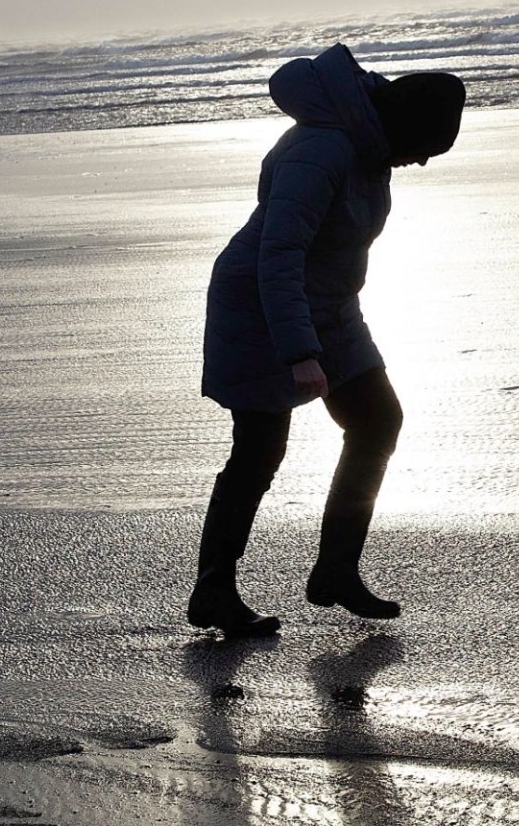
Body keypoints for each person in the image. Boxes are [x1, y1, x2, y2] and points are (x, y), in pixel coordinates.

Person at [190, 43, 466, 637]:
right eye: (424, 149)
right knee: (260, 451)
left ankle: (336, 571)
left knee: (377, 422)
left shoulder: (369, 148)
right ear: (403, 127)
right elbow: (278, 254)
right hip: (262, 308)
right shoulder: (324, 150)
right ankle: (213, 588)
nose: (419, 163)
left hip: (330, 309)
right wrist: (299, 352)